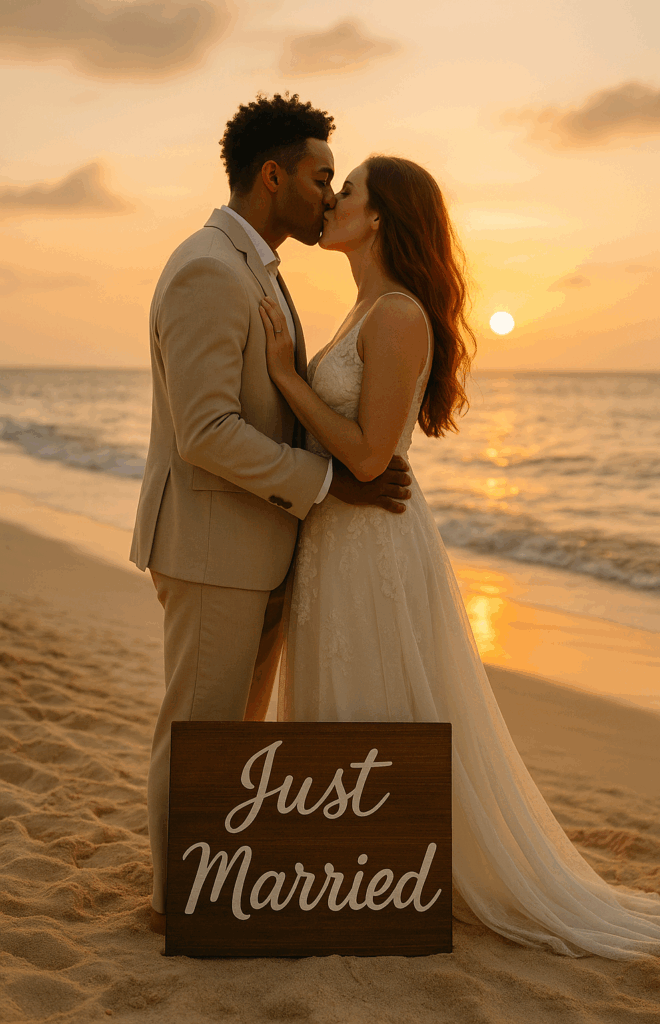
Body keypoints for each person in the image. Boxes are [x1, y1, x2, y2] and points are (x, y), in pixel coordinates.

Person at [259, 154, 660, 960]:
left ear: (378, 216)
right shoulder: (362, 308)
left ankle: (382, 878)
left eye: (344, 191)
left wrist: (285, 377)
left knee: (380, 697)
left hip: (372, 537)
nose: (331, 201)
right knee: (342, 695)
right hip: (336, 537)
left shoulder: (396, 316)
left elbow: (370, 457)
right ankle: (352, 875)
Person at [129, 95, 412, 934]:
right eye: (323, 177)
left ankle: (211, 890)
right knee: (198, 734)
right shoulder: (207, 270)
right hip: (213, 545)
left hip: (255, 546)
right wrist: (332, 484)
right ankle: (178, 903)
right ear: (273, 175)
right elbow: (207, 430)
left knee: (230, 742)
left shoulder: (256, 267)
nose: (330, 196)